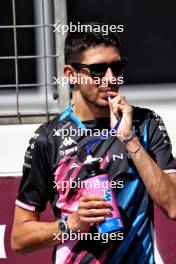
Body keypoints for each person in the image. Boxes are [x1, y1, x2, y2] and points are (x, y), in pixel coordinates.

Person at [11, 23, 176, 264]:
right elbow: (20, 239)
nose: (110, 78)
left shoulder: (145, 123)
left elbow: (173, 206)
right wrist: (73, 224)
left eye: (117, 67)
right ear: (71, 74)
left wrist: (130, 140)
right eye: (98, 69)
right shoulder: (48, 138)